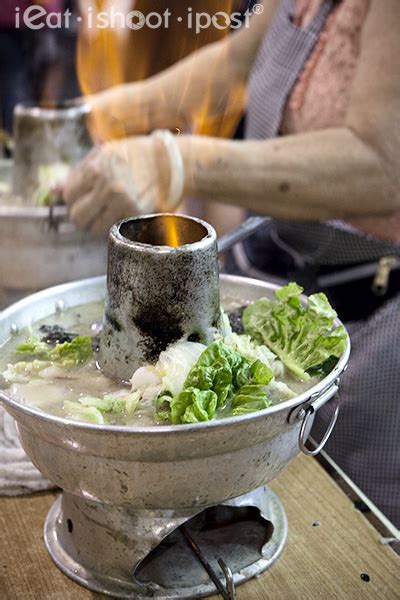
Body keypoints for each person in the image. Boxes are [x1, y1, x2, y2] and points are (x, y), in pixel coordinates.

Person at [63, 0, 400, 527]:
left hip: (380, 317)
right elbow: (230, 66)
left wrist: (173, 160)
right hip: (284, 274)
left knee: (352, 523)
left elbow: (386, 166)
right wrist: (98, 119)